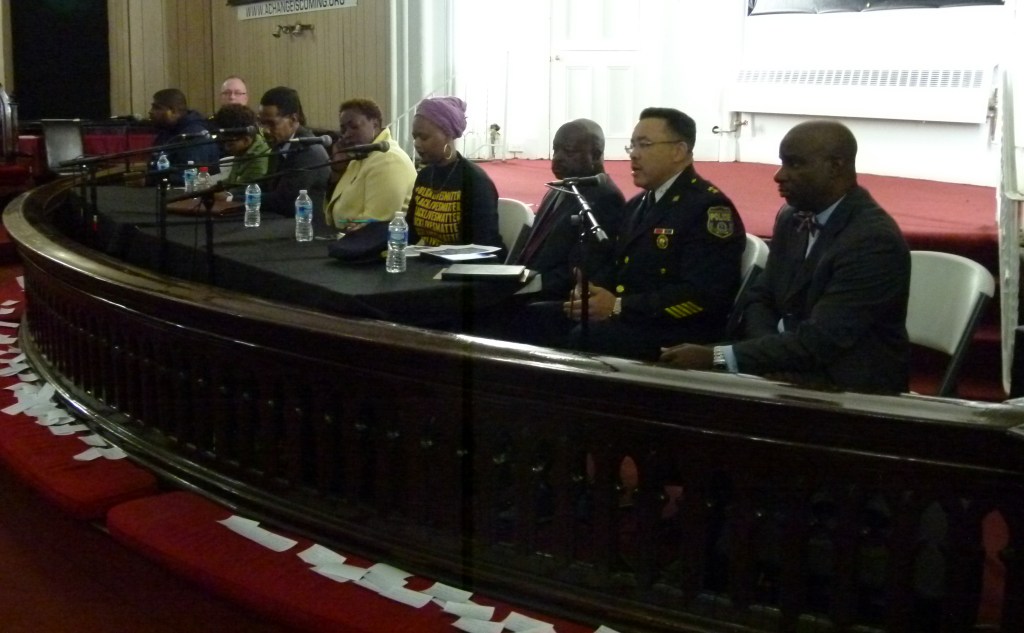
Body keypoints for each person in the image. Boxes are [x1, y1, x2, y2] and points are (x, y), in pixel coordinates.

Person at [660, 120, 911, 394]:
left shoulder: (872, 241)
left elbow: (823, 341)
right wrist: (771, 357)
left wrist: (720, 357)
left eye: (795, 164)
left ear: (836, 166)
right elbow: (760, 297)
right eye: (782, 162)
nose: (779, 175)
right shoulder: (791, 217)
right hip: (795, 363)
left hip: (850, 387)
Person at [553, 107, 746, 361]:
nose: (634, 155)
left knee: (584, 336)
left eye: (644, 145)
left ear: (678, 151)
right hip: (632, 317)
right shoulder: (638, 205)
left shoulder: (707, 208)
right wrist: (592, 291)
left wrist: (619, 306)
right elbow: (619, 266)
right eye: (631, 146)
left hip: (676, 330)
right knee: (536, 317)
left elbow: (703, 295)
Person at [509, 118, 625, 299]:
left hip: (554, 299)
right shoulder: (562, 186)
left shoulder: (604, 197)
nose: (557, 157)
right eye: (556, 149)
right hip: (523, 285)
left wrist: (525, 287)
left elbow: (584, 268)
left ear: (595, 155)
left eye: (568, 151)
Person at [407, 96, 503, 250]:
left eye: (424, 137)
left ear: (448, 135)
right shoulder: (425, 176)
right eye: (415, 137)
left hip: (466, 269)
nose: (417, 144)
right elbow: (410, 233)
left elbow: (484, 246)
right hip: (430, 265)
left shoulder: (475, 181)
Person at [324, 98, 416, 231]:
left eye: (354, 127)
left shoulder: (388, 159)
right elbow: (332, 210)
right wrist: (337, 171)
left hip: (377, 247)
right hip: (347, 238)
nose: (347, 135)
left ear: (375, 124)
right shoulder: (361, 156)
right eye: (343, 129)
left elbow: (374, 223)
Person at [256, 86, 330, 222]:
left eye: (271, 124)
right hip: (284, 223)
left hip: (309, 229)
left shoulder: (308, 151)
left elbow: (285, 202)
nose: (265, 131)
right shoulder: (280, 145)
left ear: (293, 119)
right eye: (261, 123)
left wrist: (234, 200)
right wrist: (228, 194)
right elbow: (265, 186)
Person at [147, 88, 220, 186]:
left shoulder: (194, 135)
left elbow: (190, 176)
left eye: (157, 108)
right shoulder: (167, 131)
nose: (150, 112)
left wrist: (148, 181)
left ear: (173, 111)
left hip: (188, 196)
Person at [210, 104, 270, 195]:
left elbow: (242, 192)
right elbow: (232, 182)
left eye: (230, 144)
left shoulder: (260, 160)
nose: (226, 148)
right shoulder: (243, 151)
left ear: (246, 140)